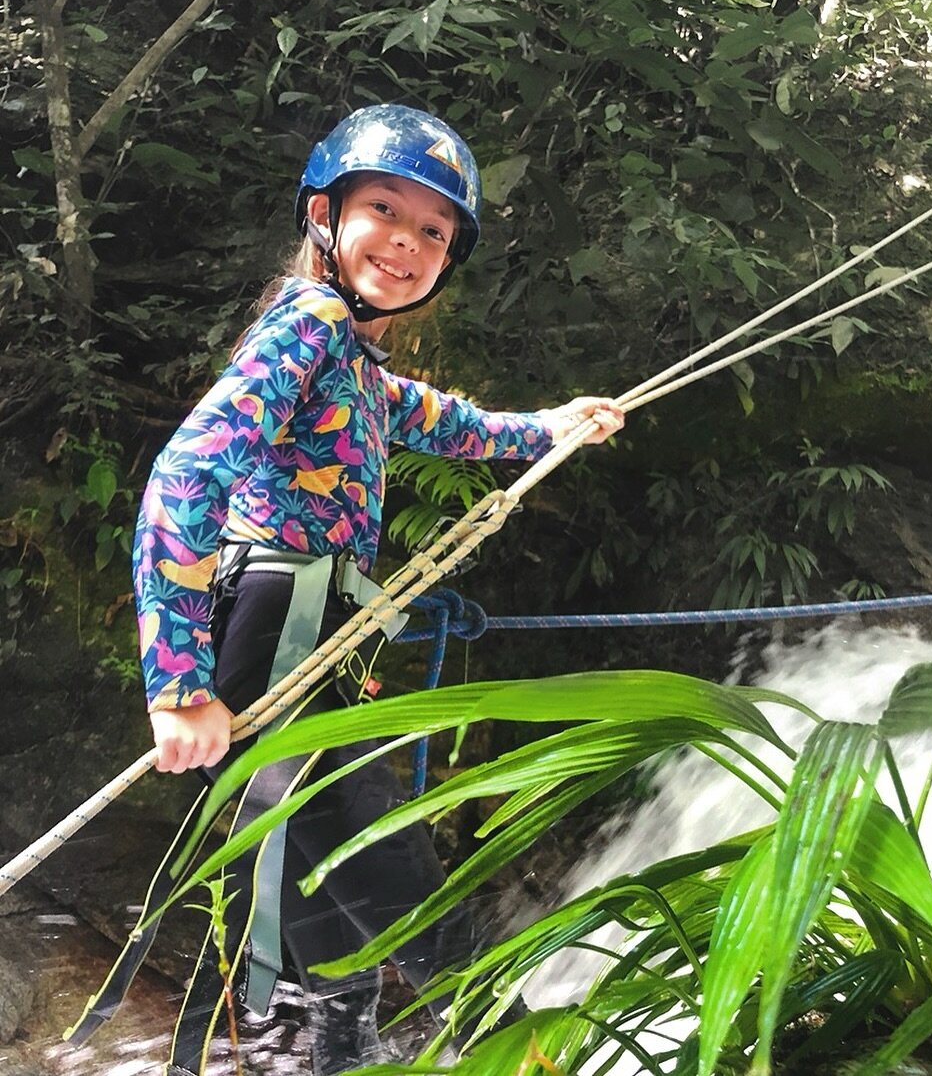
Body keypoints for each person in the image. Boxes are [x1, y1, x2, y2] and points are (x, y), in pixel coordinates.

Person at [123, 104, 623, 1075]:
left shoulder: (352, 359)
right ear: (325, 213)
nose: (406, 241)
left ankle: (340, 1043)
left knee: (310, 847)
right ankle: (518, 1040)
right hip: (280, 615)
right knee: (376, 839)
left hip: (316, 626)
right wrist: (177, 682)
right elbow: (186, 477)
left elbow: (453, 424)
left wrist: (553, 426)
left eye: (433, 230)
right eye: (384, 209)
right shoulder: (309, 324)